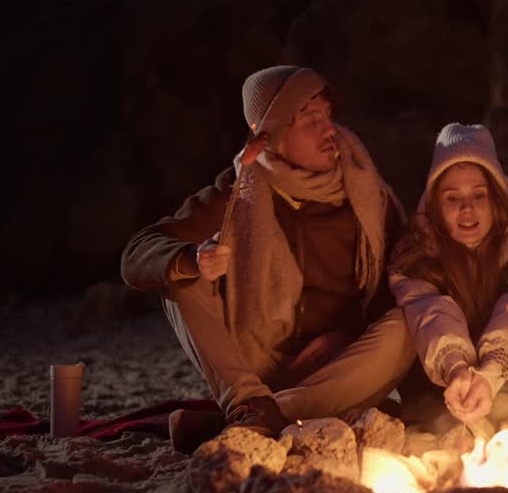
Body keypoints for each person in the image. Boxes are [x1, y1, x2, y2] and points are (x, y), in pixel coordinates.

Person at [121, 65, 412, 452]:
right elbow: (137, 254)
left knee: (408, 322)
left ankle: (259, 417)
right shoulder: (239, 192)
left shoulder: (365, 192)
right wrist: (192, 258)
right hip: (257, 363)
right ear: (270, 137)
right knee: (179, 276)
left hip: (339, 365)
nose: (329, 131)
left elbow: (402, 276)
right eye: (310, 121)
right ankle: (249, 403)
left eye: (327, 116)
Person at [387, 124, 508, 428]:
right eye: (453, 199)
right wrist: (456, 368)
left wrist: (490, 373)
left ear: (496, 200)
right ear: (435, 207)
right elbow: (430, 310)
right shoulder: (416, 258)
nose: (467, 208)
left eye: (479, 196)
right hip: (440, 392)